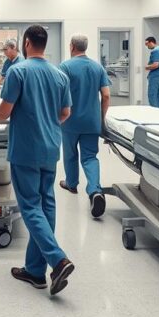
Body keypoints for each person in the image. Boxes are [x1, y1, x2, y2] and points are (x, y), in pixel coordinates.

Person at [0, 24, 75, 296]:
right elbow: (65, 113)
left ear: (26, 44)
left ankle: (58, 260)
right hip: (50, 148)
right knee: (47, 204)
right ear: (44, 44)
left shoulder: (19, 72)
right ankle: (35, 271)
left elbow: (4, 111)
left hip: (26, 149)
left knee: (31, 206)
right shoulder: (60, 75)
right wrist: (47, 124)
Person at [58, 34, 112, 219]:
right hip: (91, 121)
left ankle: (71, 184)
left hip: (70, 120)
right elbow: (106, 95)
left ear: (72, 46)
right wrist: (101, 118)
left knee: (70, 154)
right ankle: (95, 190)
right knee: (90, 157)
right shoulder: (98, 67)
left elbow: (59, 94)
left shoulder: (65, 67)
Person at [144, 36, 159, 108]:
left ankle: (154, 111)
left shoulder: (156, 51)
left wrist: (147, 67)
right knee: (158, 95)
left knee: (152, 94)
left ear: (151, 42)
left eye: (147, 44)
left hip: (155, 75)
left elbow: (156, 65)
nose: (147, 46)